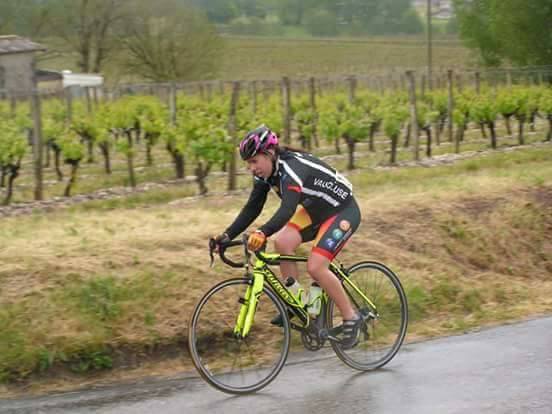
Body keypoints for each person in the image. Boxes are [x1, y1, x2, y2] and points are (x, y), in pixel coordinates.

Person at [214, 125, 363, 349]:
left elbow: (287, 209)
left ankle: (351, 317)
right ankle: (299, 304)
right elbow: (252, 208)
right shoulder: (266, 174)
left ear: (269, 153)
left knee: (316, 266)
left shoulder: (291, 169)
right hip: (316, 210)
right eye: (248, 163)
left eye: (254, 161)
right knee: (282, 242)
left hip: (343, 211)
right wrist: (227, 235)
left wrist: (262, 231)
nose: (251, 168)